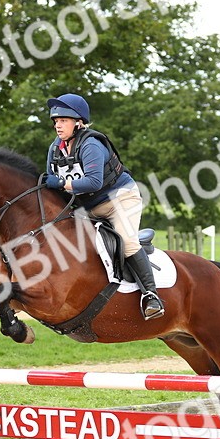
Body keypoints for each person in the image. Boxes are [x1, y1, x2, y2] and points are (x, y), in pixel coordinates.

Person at [41, 93, 164, 320]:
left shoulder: (91, 145)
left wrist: (61, 183)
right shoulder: (55, 149)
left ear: (79, 123)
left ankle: (151, 295)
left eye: (63, 120)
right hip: (86, 207)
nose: (58, 125)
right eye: (56, 121)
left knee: (126, 241)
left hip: (119, 200)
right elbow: (53, 182)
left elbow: (93, 182)